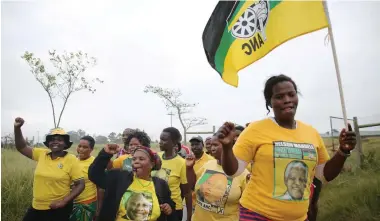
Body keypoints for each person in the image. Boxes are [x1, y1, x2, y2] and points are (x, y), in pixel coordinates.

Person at [217, 74, 357, 221]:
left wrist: (343, 151)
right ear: (269, 103)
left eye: (291, 94)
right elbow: (233, 171)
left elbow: (325, 175)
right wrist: (227, 148)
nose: (287, 100)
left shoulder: (311, 133)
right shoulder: (255, 130)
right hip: (257, 215)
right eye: (279, 96)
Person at [14, 117, 85, 221]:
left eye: (59, 140)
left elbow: (80, 184)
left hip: (57, 208)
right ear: (48, 143)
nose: (55, 142)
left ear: (65, 144)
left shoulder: (71, 159)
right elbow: (21, 147)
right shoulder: (42, 154)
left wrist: (63, 202)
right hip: (36, 206)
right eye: (52, 140)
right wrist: (17, 128)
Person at [88, 145, 176, 221]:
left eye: (141, 159)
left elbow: (170, 203)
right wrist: (105, 154)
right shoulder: (119, 178)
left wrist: (169, 207)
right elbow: (94, 175)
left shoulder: (160, 185)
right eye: (134, 159)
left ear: (152, 164)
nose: (136, 161)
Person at [186, 135, 249, 221]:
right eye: (211, 145)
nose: (212, 148)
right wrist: (189, 169)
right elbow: (192, 186)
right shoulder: (208, 165)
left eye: (215, 145)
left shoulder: (242, 173)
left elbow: (248, 207)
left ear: (229, 147)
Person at [153, 127, 192, 221]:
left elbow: (187, 193)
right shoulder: (155, 158)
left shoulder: (182, 163)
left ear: (174, 143)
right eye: (160, 139)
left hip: (174, 210)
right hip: (155, 207)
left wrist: (189, 217)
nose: (160, 142)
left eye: (164, 140)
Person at [70, 136, 99, 221]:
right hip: (71, 203)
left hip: (87, 204)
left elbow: (100, 188)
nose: (81, 149)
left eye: (85, 147)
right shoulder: (72, 160)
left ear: (91, 149)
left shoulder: (95, 163)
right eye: (79, 146)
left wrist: (98, 210)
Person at [188, 136, 214, 212]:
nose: (194, 147)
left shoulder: (211, 160)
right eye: (192, 145)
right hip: (192, 200)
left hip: (206, 202)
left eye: (197, 144)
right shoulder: (188, 160)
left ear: (202, 145)